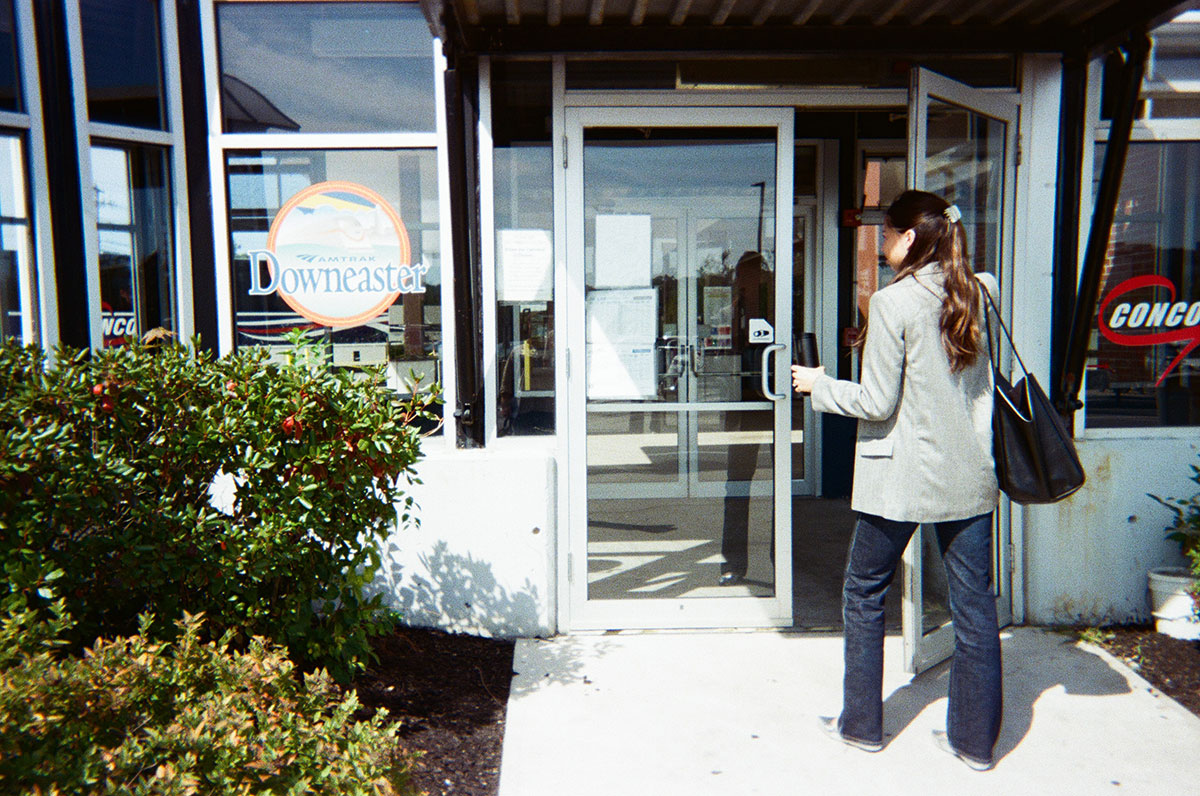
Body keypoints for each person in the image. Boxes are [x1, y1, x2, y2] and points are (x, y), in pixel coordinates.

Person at [792, 190, 1002, 771]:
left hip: (902, 480)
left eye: (886, 233)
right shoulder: (981, 293)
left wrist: (818, 386)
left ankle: (861, 725)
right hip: (969, 479)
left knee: (863, 594)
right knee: (976, 609)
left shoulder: (893, 304)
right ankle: (975, 744)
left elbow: (878, 401)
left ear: (910, 239)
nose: (881, 244)